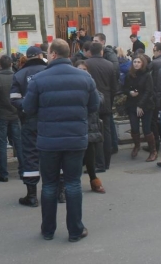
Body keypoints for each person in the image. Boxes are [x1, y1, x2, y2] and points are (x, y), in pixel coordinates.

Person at [23, 39, 99, 242]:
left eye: (48, 52)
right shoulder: (85, 78)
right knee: (73, 183)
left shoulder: (39, 79)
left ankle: (48, 230)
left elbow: (28, 108)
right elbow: (94, 106)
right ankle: (75, 230)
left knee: (49, 185)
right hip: (75, 138)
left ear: (54, 54)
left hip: (48, 140)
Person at [10, 45, 47, 207]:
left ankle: (32, 195)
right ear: (40, 56)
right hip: (49, 121)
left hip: (29, 121)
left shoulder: (19, 74)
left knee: (30, 155)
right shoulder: (49, 71)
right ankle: (60, 192)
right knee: (54, 154)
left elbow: (13, 99)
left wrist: (26, 106)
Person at [0, 55, 23, 182]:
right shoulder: (17, 76)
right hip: (15, 114)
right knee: (18, 143)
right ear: (10, 64)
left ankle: (3, 173)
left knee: (2, 144)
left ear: (0, 65)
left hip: (0, 115)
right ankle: (23, 170)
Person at [73, 61, 105, 194]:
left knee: (90, 155)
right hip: (76, 125)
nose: (82, 71)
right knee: (75, 156)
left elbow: (100, 99)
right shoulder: (72, 84)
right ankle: (71, 182)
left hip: (90, 125)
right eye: (79, 69)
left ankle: (94, 180)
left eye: (84, 69)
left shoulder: (91, 83)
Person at [85, 42, 118, 171]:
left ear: (90, 52)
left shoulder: (86, 64)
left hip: (92, 102)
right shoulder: (109, 64)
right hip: (107, 102)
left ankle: (97, 163)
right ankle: (106, 162)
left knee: (94, 133)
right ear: (102, 52)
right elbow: (114, 86)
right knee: (107, 132)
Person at [123, 55, 155, 161]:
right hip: (132, 105)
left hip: (145, 105)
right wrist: (129, 92)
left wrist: (140, 105)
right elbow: (125, 88)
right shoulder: (129, 75)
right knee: (134, 128)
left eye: (138, 62)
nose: (136, 64)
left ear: (143, 63)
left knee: (146, 129)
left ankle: (153, 151)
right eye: (135, 62)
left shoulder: (147, 75)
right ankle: (137, 145)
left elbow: (148, 91)